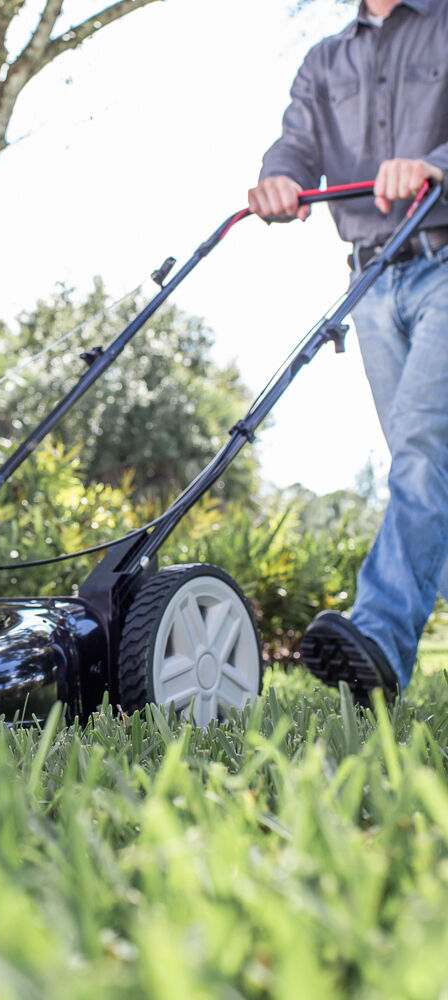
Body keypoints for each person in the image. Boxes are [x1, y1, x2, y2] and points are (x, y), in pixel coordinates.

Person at [247, 0, 448, 700]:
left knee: (425, 452)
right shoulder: (325, 61)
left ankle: (380, 639)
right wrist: (279, 177)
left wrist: (432, 164)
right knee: (426, 469)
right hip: (371, 277)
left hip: (445, 260)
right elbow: (295, 146)